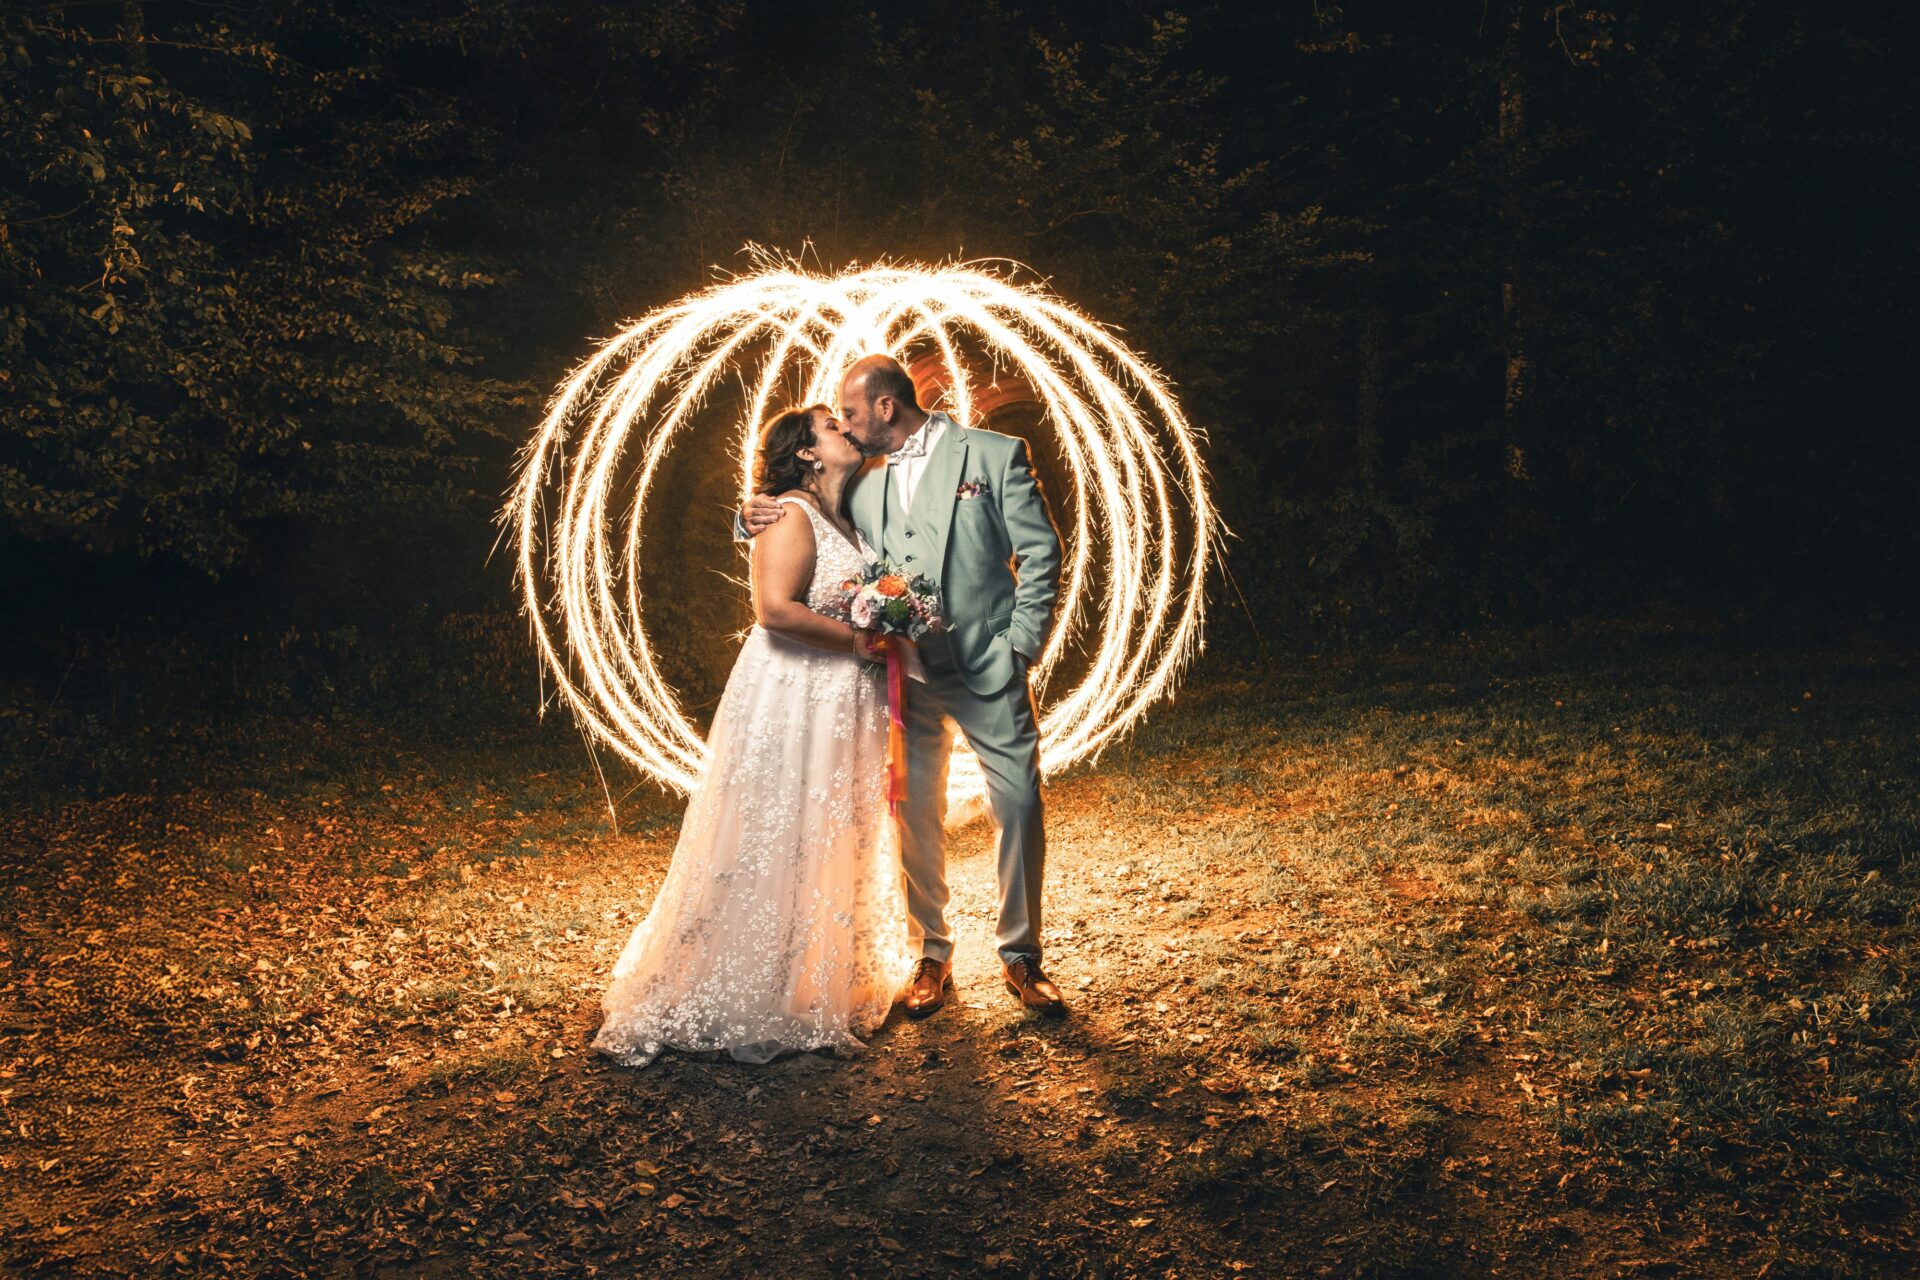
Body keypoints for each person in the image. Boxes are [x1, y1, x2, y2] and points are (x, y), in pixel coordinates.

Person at [741, 354, 1067, 1018]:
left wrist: (1019, 646)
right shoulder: (859, 482)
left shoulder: (994, 455)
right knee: (914, 816)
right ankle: (933, 952)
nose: (847, 426)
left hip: (987, 669)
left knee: (1020, 804)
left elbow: (1042, 554)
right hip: (903, 675)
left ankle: (1022, 955)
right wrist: (747, 518)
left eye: (851, 413)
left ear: (886, 407)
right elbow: (803, 521)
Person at [592, 405, 913, 1067]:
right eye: (830, 424)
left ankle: (814, 974)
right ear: (805, 453)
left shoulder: (846, 509)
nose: (846, 428)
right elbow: (772, 610)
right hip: (796, 693)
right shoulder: (791, 512)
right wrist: (864, 640)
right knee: (779, 825)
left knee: (829, 827)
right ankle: (755, 980)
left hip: (843, 698)